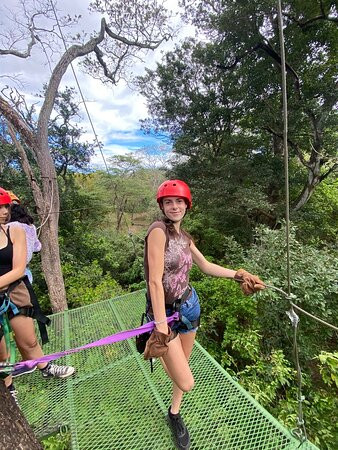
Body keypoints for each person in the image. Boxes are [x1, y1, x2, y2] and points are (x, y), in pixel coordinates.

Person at [143, 180, 265, 450]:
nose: (174, 206)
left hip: (189, 307)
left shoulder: (184, 237)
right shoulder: (158, 231)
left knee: (184, 363)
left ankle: (174, 413)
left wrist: (239, 274)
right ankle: (155, 343)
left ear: (187, 205)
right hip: (166, 315)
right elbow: (154, 281)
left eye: (179, 201)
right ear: (162, 206)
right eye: (168, 202)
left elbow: (206, 266)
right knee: (186, 381)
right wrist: (160, 324)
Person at [0, 187, 75, 407]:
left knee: (29, 340)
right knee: (2, 353)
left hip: (14, 291)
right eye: (0, 207)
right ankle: (10, 388)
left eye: (6, 207)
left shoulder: (14, 231)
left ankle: (44, 367)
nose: (4, 212)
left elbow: (19, 269)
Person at [9, 202, 41, 284]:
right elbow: (37, 247)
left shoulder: (11, 226)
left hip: (11, 268)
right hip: (25, 270)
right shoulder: (32, 227)